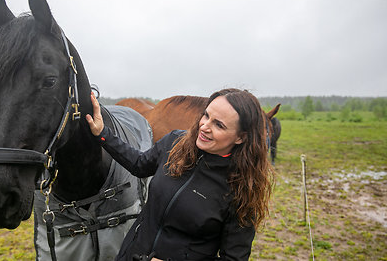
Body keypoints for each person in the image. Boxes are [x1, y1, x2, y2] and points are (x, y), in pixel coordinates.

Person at [86, 88, 274, 261]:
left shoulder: (241, 189)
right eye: (206, 115)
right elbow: (139, 164)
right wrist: (103, 133)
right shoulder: (175, 143)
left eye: (219, 125)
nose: (204, 126)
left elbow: (233, 258)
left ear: (241, 137)